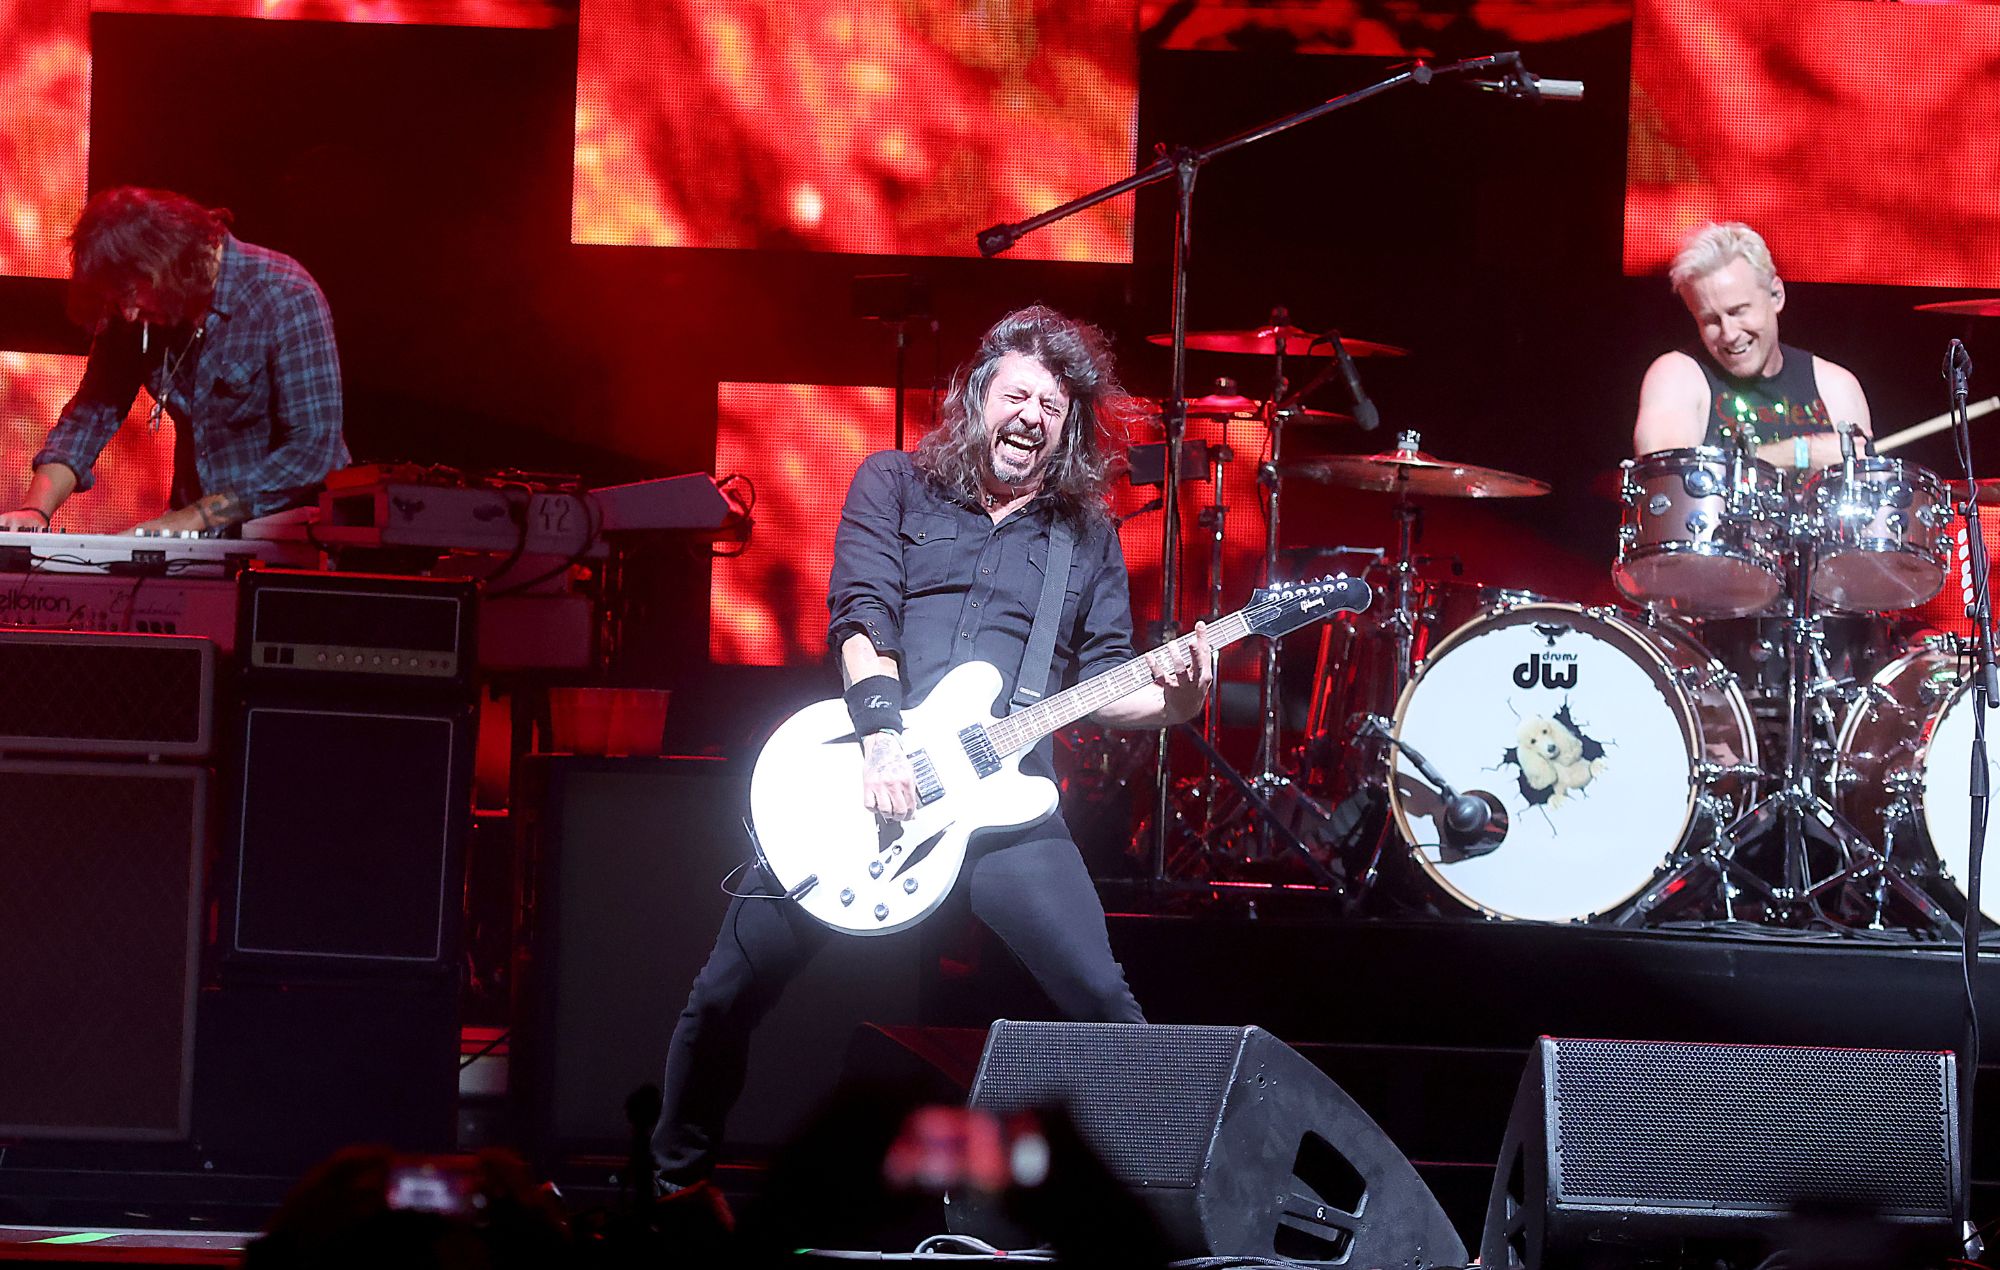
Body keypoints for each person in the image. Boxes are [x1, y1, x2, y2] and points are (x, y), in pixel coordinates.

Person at [650, 305, 1213, 1190]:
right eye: (1018, 394)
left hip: (1002, 802)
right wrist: (879, 744)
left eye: (1055, 407)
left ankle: (1176, 1197)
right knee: (725, 993)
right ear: (977, 394)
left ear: (1067, 431)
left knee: (1102, 998)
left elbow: (1110, 685)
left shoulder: (1084, 535)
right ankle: (675, 1189)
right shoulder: (894, 483)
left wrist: (1177, 699)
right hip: (864, 776)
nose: (1033, 415)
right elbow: (861, 618)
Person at [0, 186, 350, 535]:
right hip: (197, 537)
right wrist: (35, 511)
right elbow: (88, 418)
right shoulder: (139, 310)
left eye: (132, 294)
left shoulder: (284, 294)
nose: (130, 311)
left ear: (169, 261)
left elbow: (314, 450)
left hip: (289, 541)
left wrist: (192, 518)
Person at [1632, 221, 1871, 470]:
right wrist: (1801, 454)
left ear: (1776, 296)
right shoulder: (1676, 375)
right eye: (1710, 320)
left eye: (1738, 312)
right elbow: (1668, 477)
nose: (1729, 334)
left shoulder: (1836, 386)